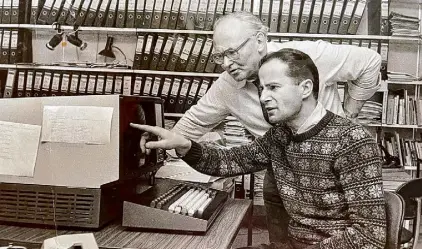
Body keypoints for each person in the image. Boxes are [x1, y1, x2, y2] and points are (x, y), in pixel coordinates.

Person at [131, 49, 387, 249]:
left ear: (306, 88)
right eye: (262, 89)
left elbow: (369, 237)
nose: (263, 97)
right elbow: (230, 161)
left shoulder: (352, 140)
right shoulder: (280, 135)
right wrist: (185, 146)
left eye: (274, 87)